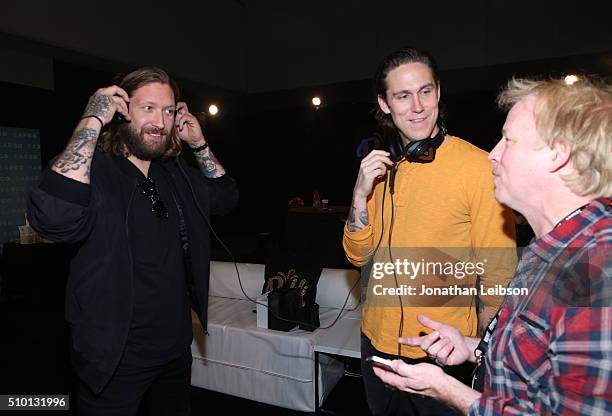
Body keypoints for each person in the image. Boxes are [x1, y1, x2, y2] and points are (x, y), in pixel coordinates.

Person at [372, 76, 612, 415]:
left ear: (558, 154)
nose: (493, 155)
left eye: (508, 140)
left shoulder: (596, 269)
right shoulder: (547, 249)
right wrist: (473, 348)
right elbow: (534, 358)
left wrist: (451, 392)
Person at [27, 67, 238, 415]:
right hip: (113, 358)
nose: (160, 121)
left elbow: (225, 198)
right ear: (122, 110)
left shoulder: (174, 174)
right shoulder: (94, 170)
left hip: (173, 352)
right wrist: (93, 117)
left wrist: (198, 144)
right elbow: (53, 217)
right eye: (148, 108)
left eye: (169, 111)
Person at [342, 46, 516, 415]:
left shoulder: (478, 167)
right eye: (403, 96)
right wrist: (359, 195)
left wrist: (481, 352)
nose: (417, 106)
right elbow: (357, 255)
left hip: (444, 352)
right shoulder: (381, 170)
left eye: (425, 91)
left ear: (438, 92)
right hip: (377, 346)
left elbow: (499, 272)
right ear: (385, 103)